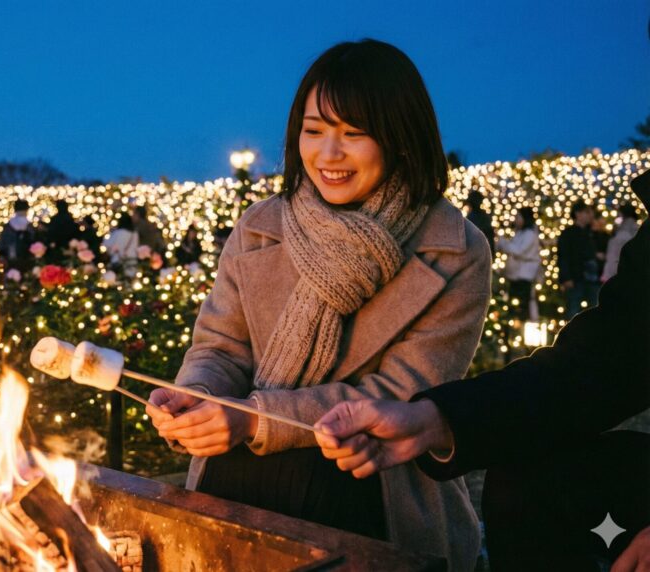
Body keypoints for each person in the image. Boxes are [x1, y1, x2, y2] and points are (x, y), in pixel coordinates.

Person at [144, 39, 491, 571]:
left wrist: (255, 420)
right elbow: (221, 347)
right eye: (313, 131)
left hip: (369, 488)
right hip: (235, 480)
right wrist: (194, 396)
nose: (328, 155)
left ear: (400, 138)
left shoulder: (454, 249)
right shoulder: (261, 227)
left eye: (354, 134)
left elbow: (399, 393)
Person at [313, 169, 649, 572]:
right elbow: (602, 362)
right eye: (314, 131)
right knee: (524, 479)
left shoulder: (455, 244)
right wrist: (436, 419)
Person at [497, 207, 541, 320]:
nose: (516, 220)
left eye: (518, 217)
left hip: (524, 275)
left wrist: (503, 244)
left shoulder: (530, 234)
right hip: (516, 274)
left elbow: (519, 251)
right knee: (514, 303)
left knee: (521, 305)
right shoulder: (521, 233)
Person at [558, 201, 600, 319]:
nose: (590, 215)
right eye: (586, 212)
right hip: (575, 278)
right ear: (578, 214)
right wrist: (566, 278)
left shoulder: (590, 233)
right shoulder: (568, 234)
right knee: (573, 312)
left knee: (593, 311)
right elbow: (563, 257)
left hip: (592, 279)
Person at [602, 202, 640, 282]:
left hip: (618, 272)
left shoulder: (622, 232)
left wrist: (607, 274)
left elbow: (613, 256)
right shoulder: (636, 229)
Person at [0, 199, 36, 270]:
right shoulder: (29, 226)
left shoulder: (8, 226)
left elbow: (1, 244)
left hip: (11, 259)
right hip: (27, 260)